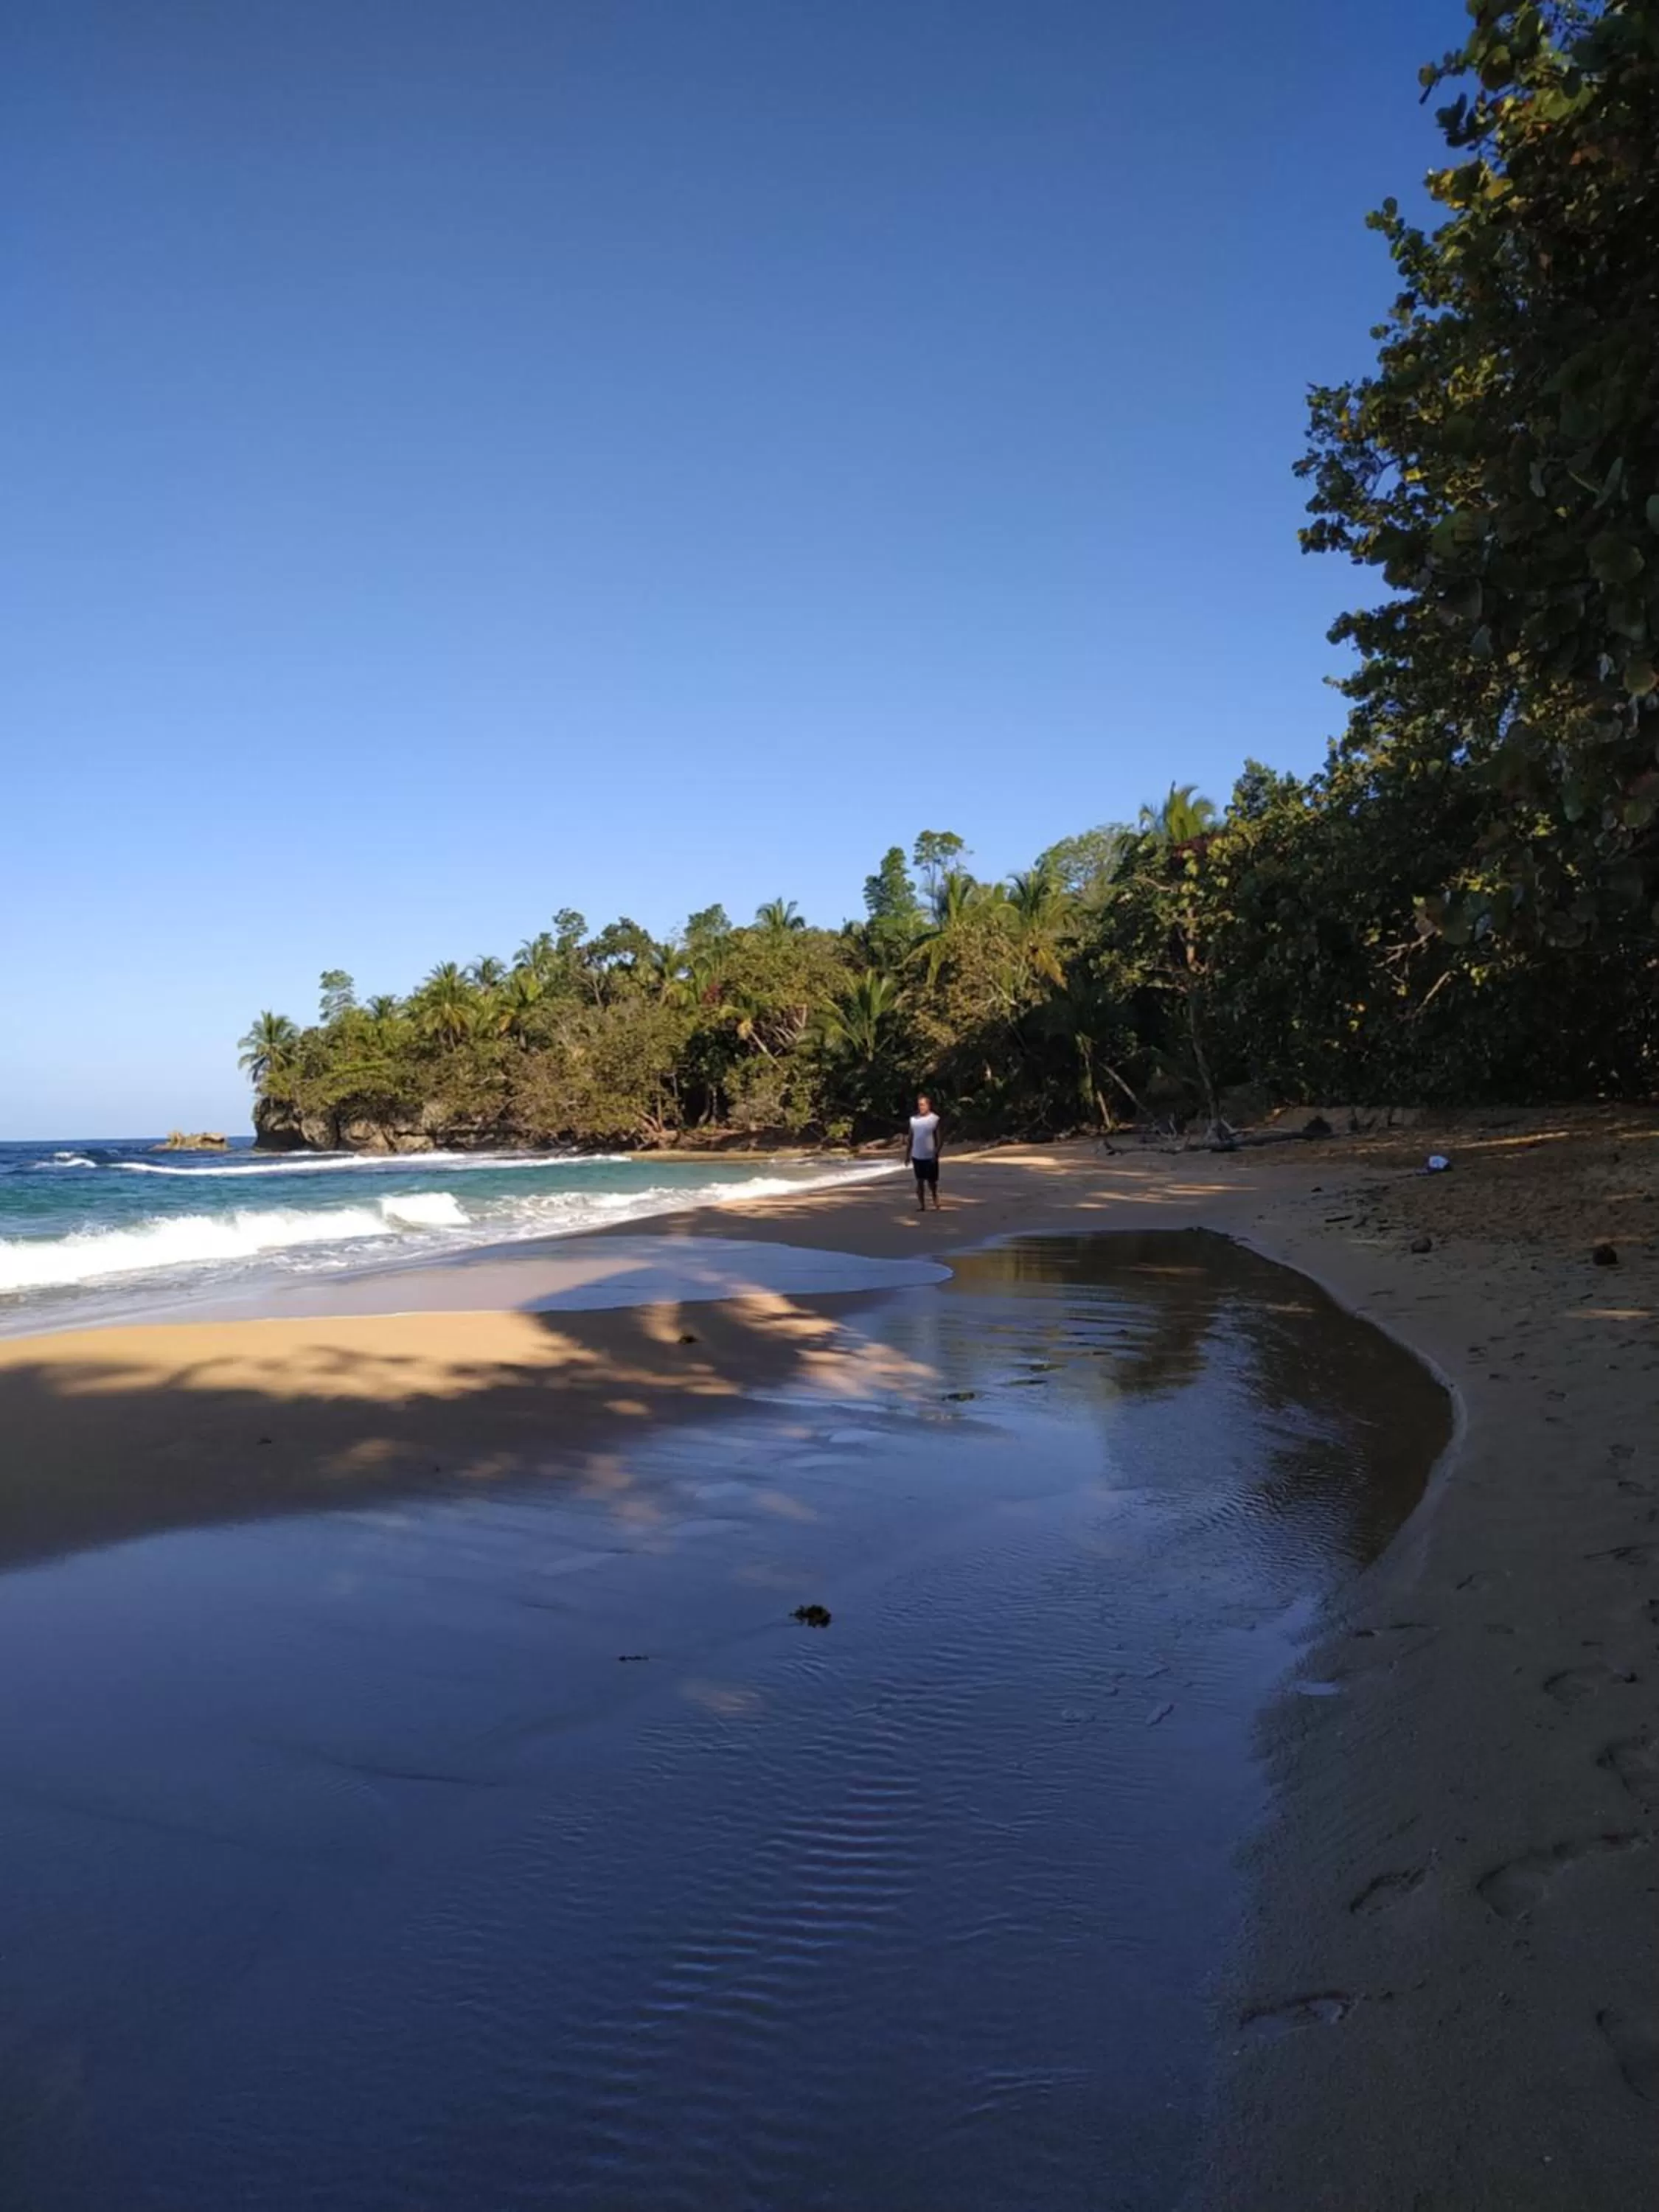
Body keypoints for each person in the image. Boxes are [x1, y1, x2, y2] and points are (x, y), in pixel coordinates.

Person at [905, 1093, 942, 1211]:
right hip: (917, 1155)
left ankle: (935, 1199)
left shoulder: (934, 1119)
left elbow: (939, 1138)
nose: (921, 1107)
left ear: (928, 1105)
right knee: (919, 1181)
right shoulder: (913, 1120)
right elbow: (910, 1138)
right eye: (919, 1105)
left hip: (930, 1156)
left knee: (932, 1182)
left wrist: (936, 1153)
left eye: (922, 1105)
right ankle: (922, 1205)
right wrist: (907, 1155)